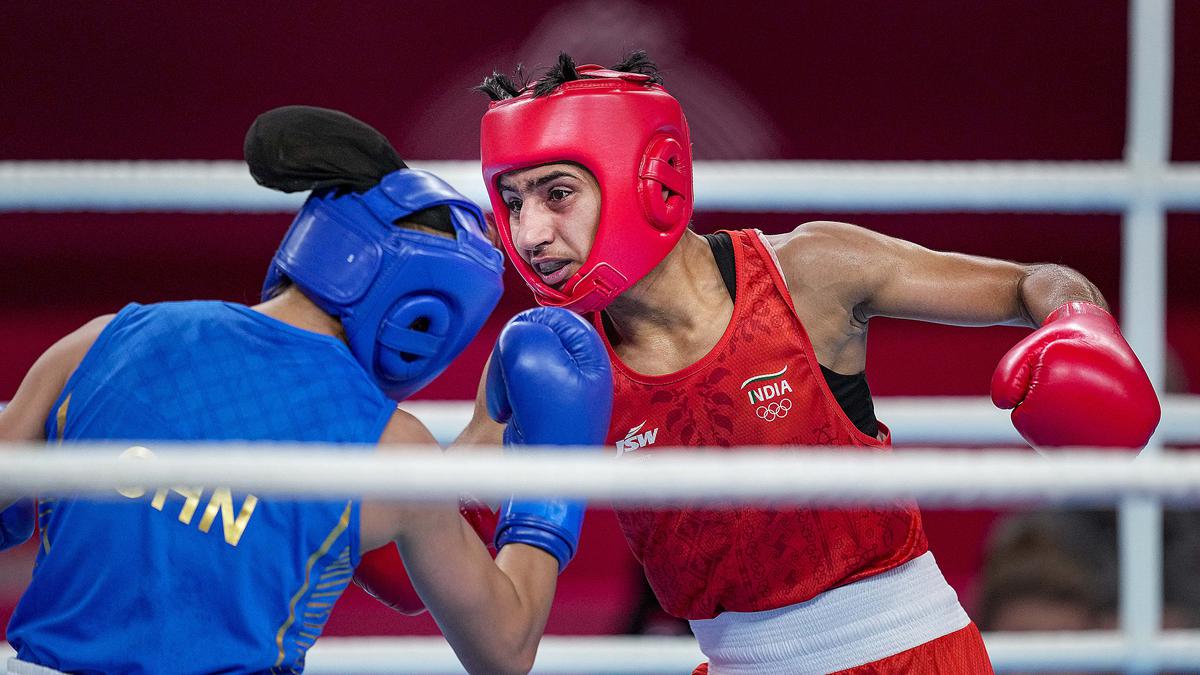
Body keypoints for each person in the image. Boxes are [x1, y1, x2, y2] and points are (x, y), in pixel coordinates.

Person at [471, 51, 1162, 674]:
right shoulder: (551, 357)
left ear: (647, 177)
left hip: (909, 655)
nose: (531, 234)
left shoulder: (806, 272)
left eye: (557, 194)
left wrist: (1080, 322)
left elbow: (1032, 282)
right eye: (513, 202)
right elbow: (471, 571)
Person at [0, 105, 613, 675]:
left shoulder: (102, 338)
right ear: (424, 318)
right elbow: (503, 650)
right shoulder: (389, 453)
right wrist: (549, 481)